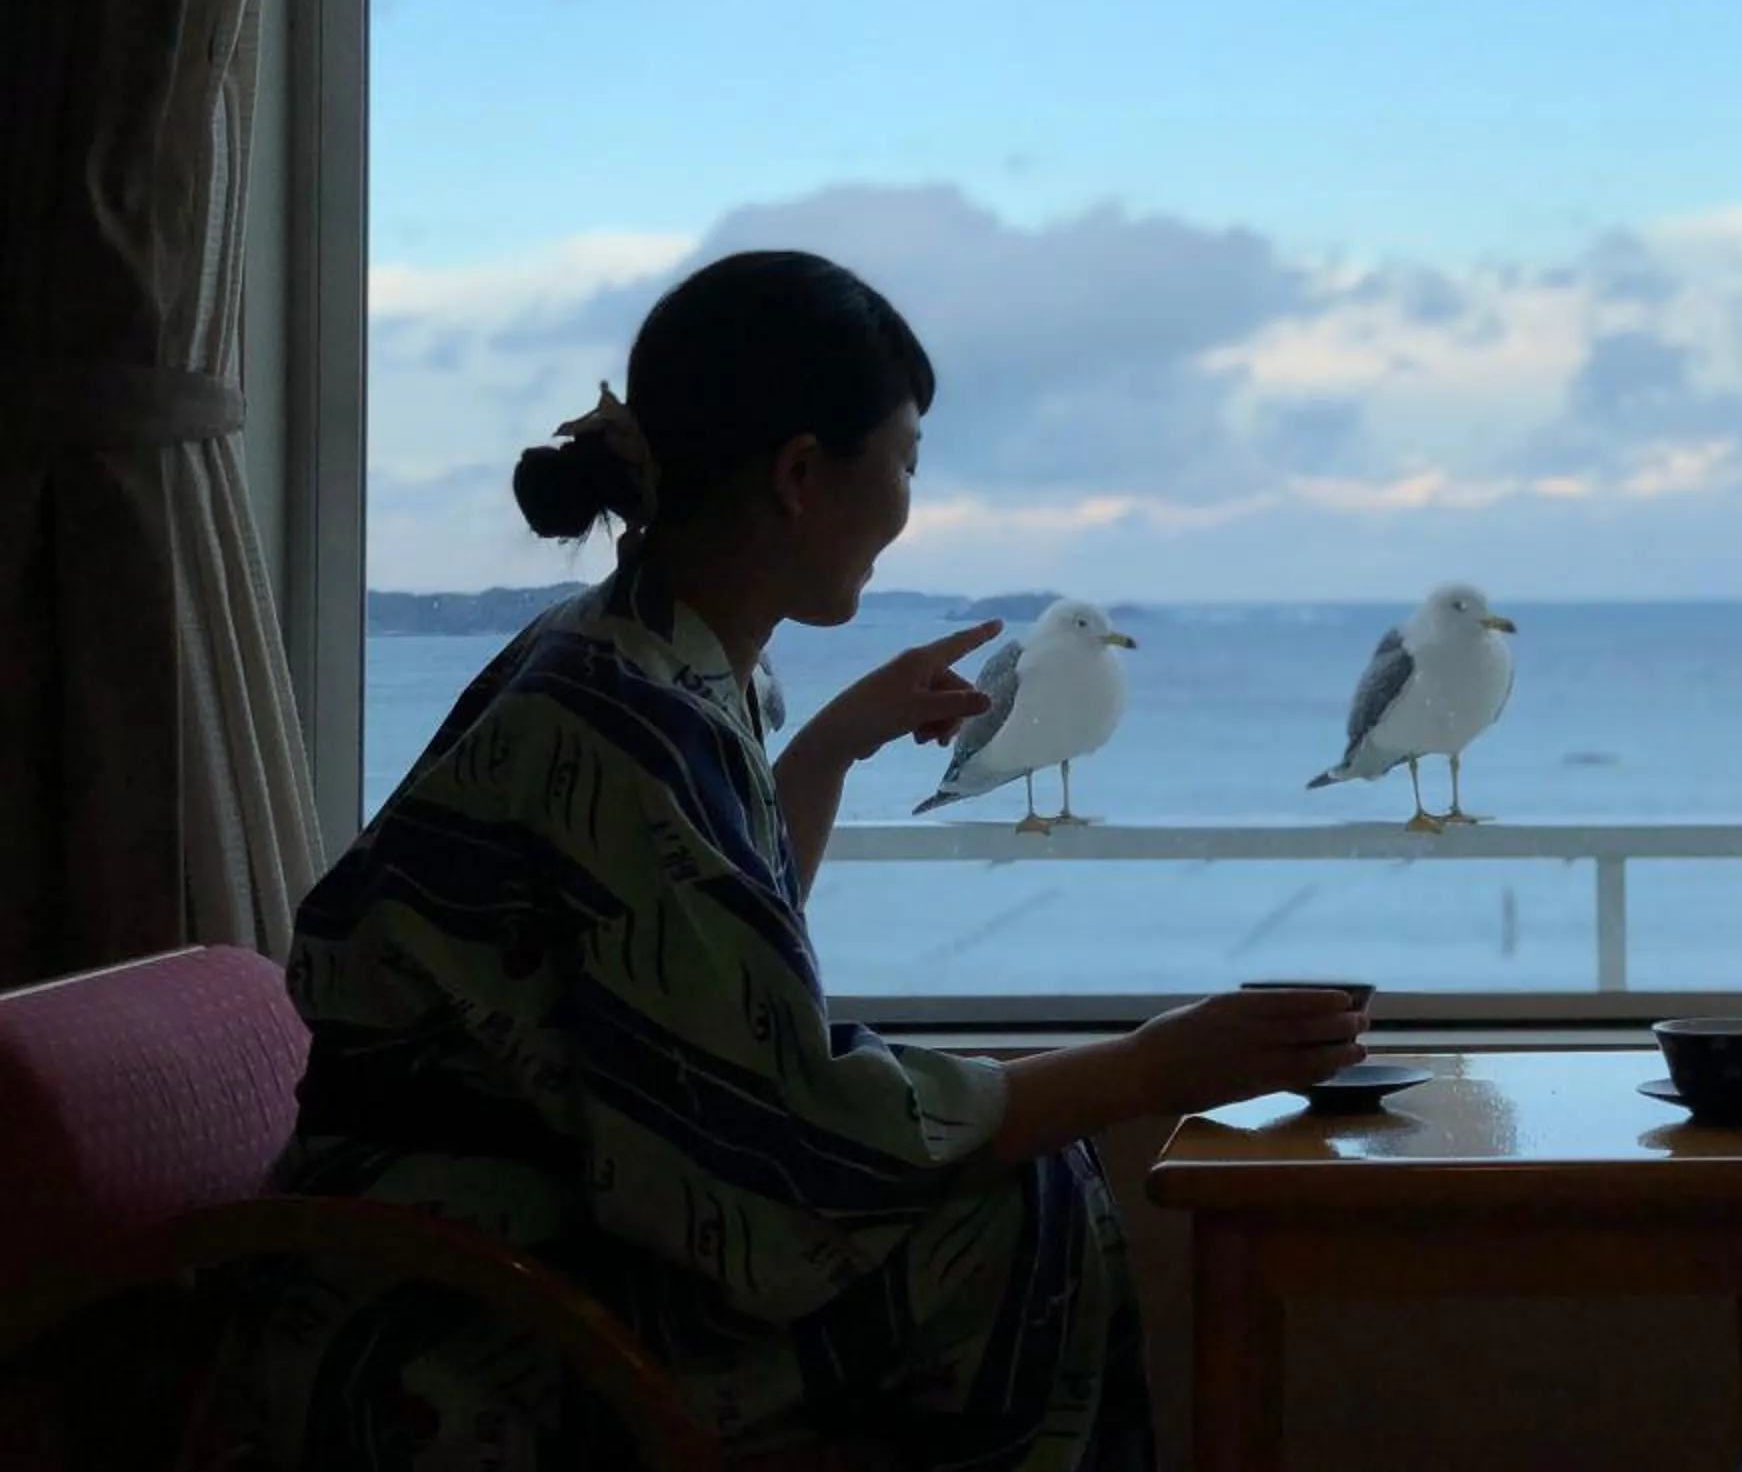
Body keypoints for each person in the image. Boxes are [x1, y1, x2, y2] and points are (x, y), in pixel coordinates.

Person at [241, 251, 1366, 1470]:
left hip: (507, 1239)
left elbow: (710, 977)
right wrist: (1153, 1063)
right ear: (798, 475)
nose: (903, 508)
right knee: (1016, 1218)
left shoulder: (640, 657)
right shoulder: (627, 717)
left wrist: (831, 746)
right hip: (455, 1311)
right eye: (904, 463)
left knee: (1012, 1198)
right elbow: (787, 1137)